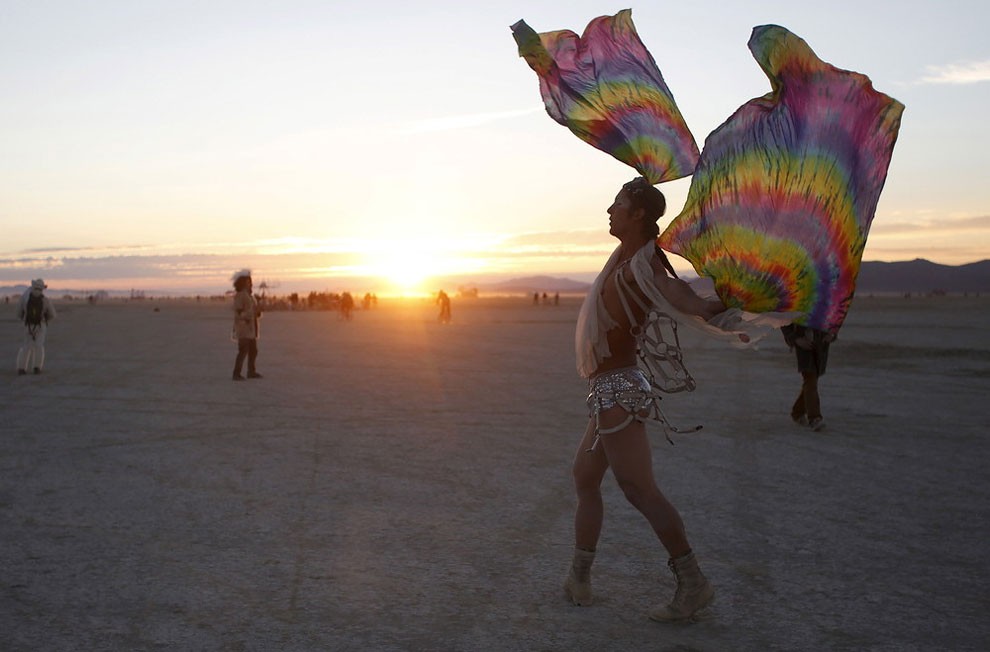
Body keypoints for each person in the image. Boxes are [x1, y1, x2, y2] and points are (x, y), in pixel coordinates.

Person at [567, 177, 753, 623]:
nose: (609, 210)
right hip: (608, 390)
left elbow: (680, 296)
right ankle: (579, 576)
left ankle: (693, 583)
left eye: (617, 204)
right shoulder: (626, 260)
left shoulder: (643, 268)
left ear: (637, 216)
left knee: (639, 490)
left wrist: (715, 308)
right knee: (585, 478)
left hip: (620, 391)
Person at [780, 324, 834, 431]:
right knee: (810, 378)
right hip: (804, 344)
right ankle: (814, 417)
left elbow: (835, 315)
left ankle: (798, 412)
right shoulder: (798, 307)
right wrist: (796, 339)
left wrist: (832, 333)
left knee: (812, 380)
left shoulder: (825, 306)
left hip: (821, 344)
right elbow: (785, 320)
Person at [16, 278, 56, 375]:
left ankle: (21, 368)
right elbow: (52, 314)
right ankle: (37, 367)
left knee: (26, 346)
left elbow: (18, 313)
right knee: (39, 346)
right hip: (40, 326)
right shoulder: (45, 300)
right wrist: (44, 320)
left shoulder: (25, 298)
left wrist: (24, 319)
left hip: (27, 325)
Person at [231, 270, 262, 381]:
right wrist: (248, 316)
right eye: (247, 281)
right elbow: (238, 311)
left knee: (253, 350)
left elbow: (253, 309)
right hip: (243, 327)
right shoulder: (240, 295)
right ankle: (236, 373)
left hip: (251, 328)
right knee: (243, 350)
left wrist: (257, 313)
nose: (250, 283)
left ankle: (251, 371)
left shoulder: (249, 295)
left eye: (250, 281)